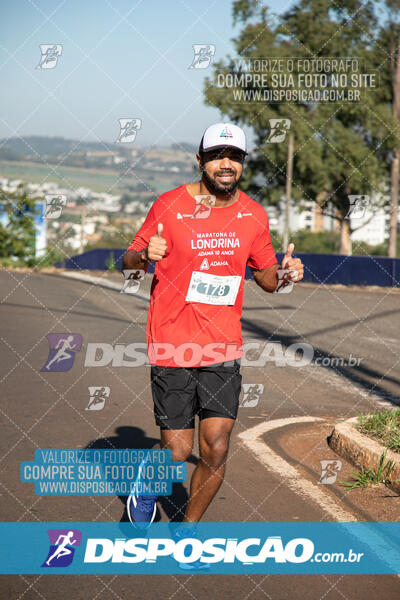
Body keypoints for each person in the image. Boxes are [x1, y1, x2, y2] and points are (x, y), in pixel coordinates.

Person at [122, 122, 304, 534]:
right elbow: (127, 261)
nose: (227, 164)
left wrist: (288, 275)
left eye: (235, 157)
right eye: (218, 156)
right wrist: (144, 255)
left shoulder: (253, 214)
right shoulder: (168, 205)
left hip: (223, 343)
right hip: (172, 338)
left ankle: (186, 530)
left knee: (216, 448)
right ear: (200, 161)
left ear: (242, 164)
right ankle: (147, 484)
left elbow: (268, 279)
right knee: (176, 450)